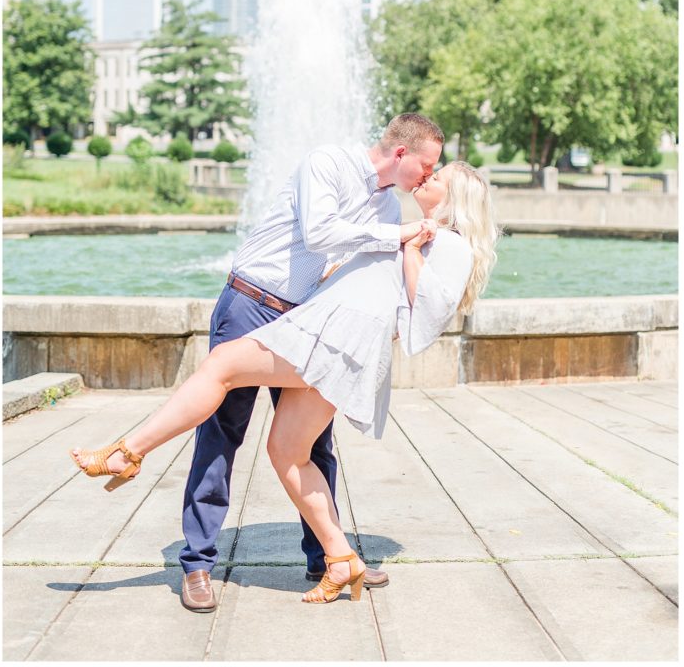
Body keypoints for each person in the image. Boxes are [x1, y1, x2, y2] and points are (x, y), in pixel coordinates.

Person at [70, 160, 498, 606]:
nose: (428, 178)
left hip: (334, 341)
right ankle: (339, 559)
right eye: (428, 171)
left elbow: (425, 315)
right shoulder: (409, 225)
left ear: (456, 200)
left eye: (438, 178)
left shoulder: (449, 244)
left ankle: (127, 453)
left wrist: (409, 251)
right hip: (330, 335)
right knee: (287, 453)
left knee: (221, 366)